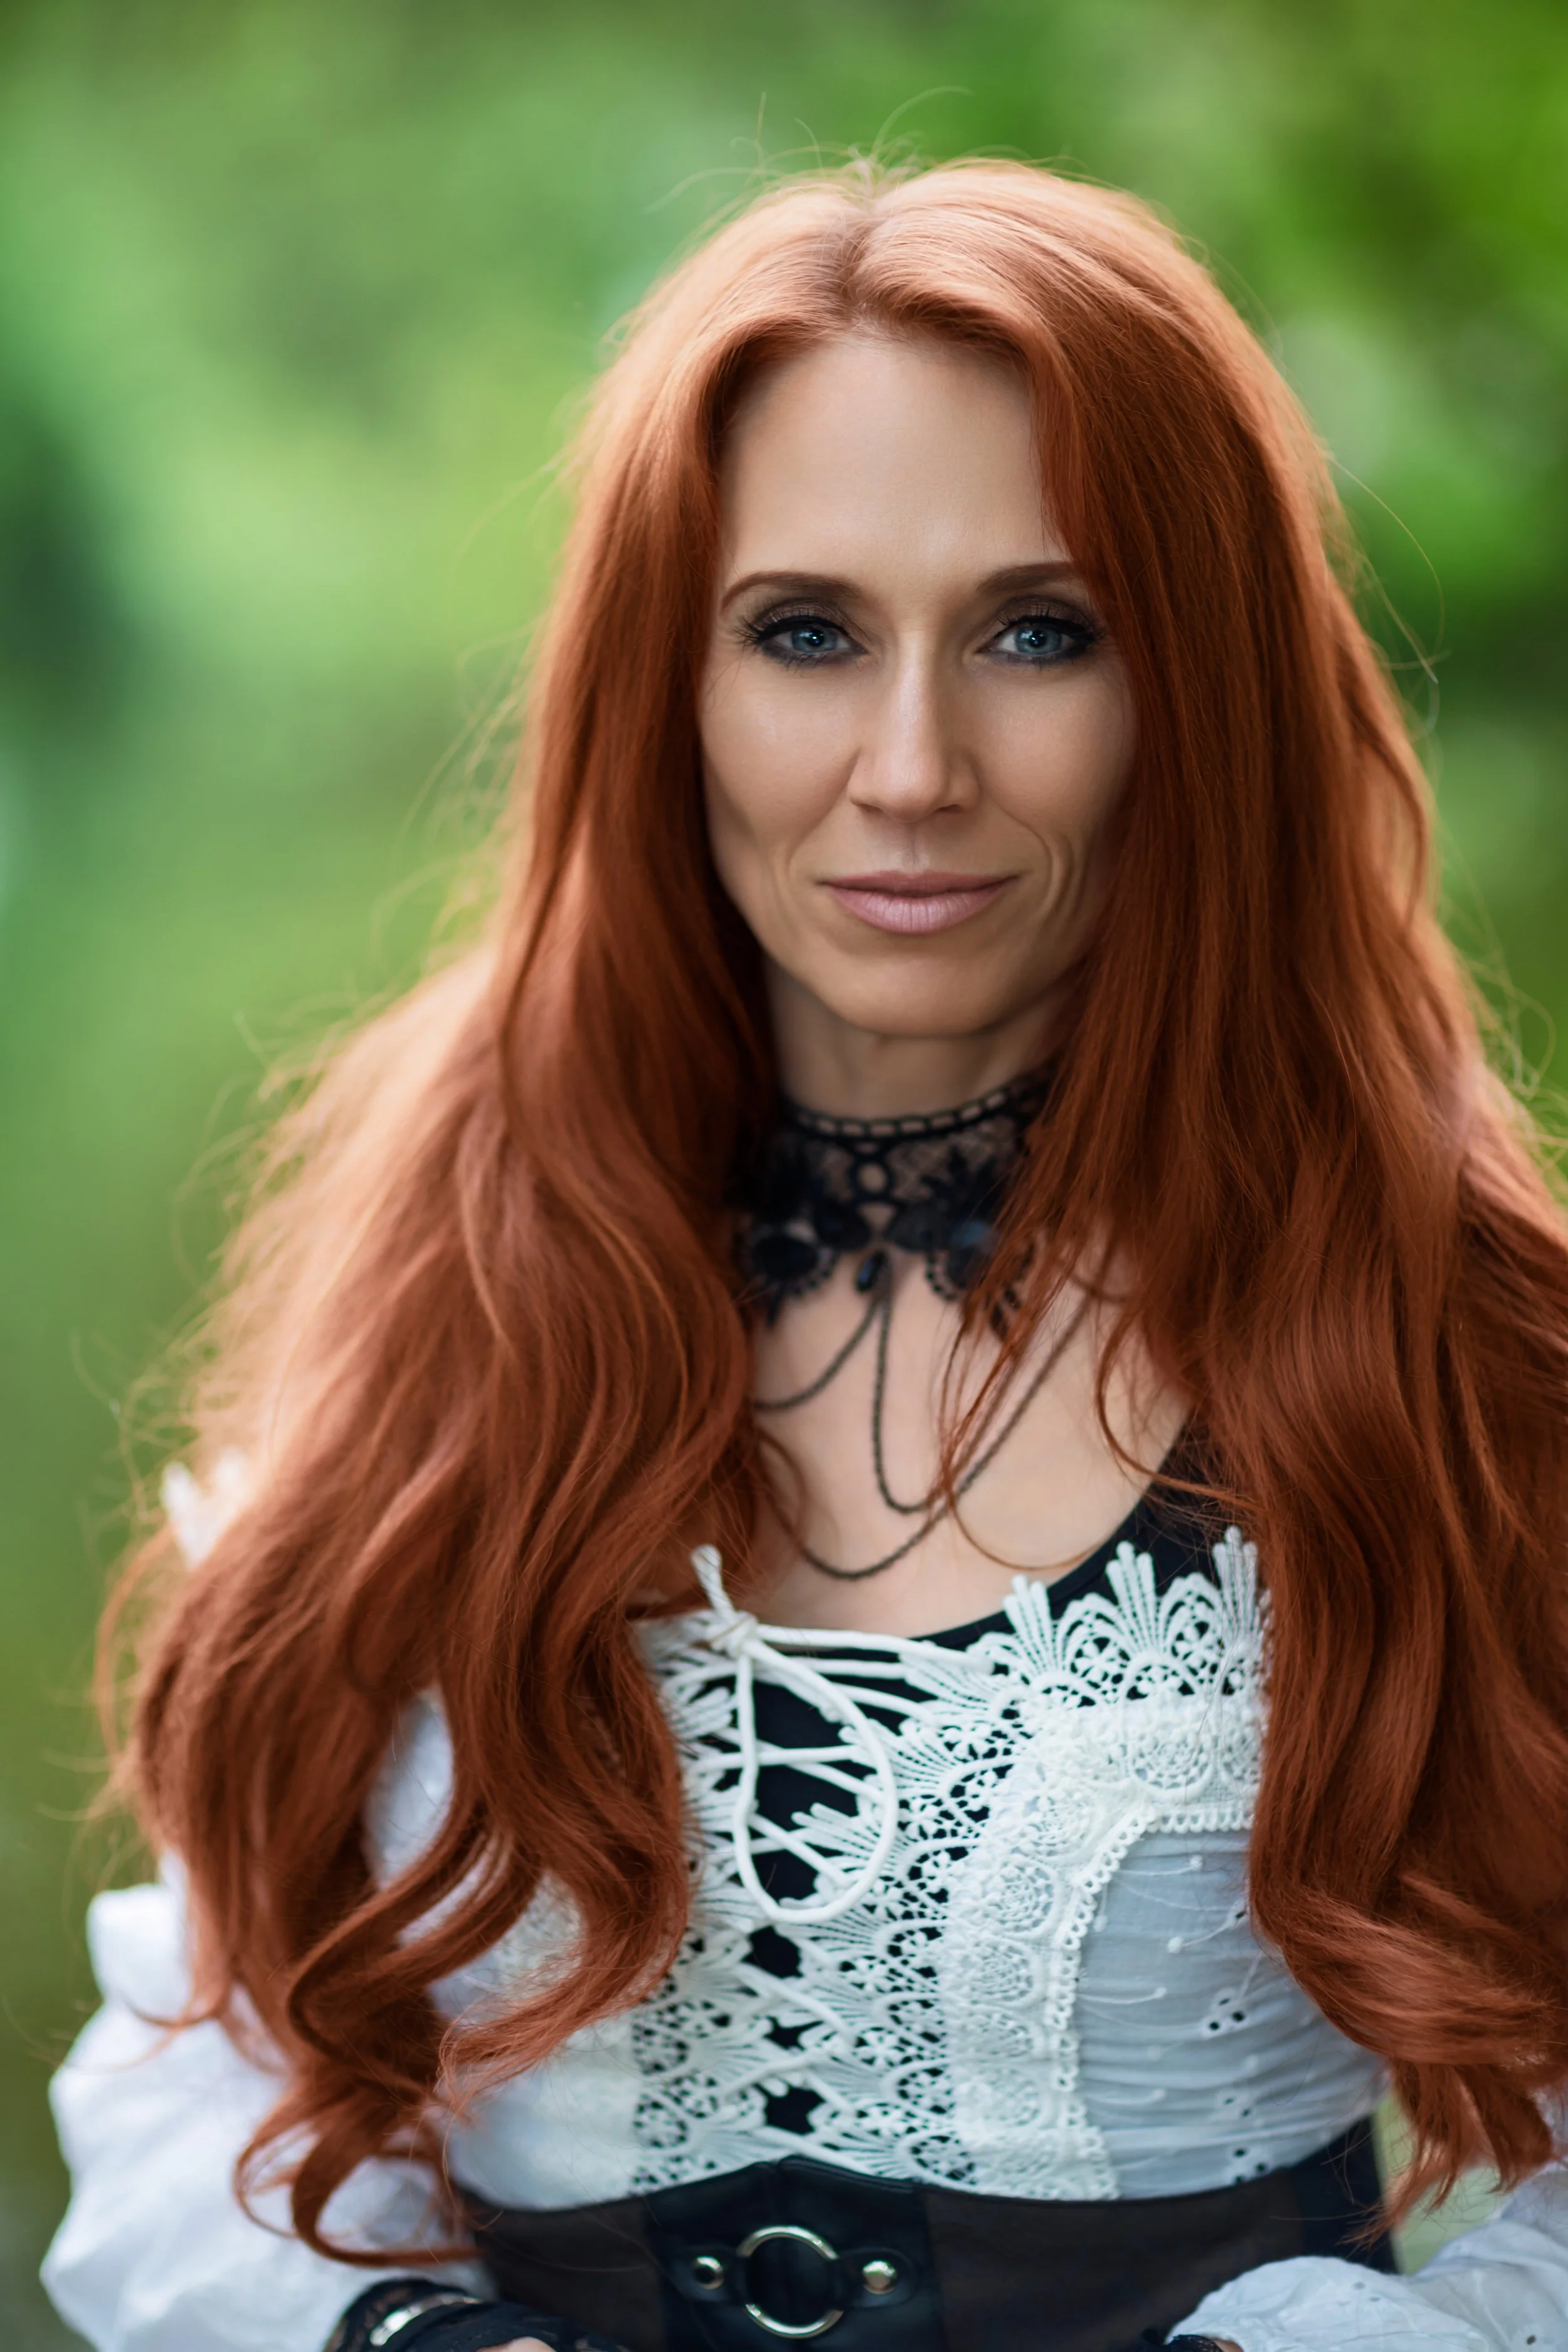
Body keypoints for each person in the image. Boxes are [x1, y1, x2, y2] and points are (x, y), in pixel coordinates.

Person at [43, 160, 1568, 2352]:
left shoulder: (1437, 1322)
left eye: (1041, 631)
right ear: (663, 681)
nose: (912, 767)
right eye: (805, 632)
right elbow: (199, 2041)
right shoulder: (439, 1266)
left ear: (1197, 693)